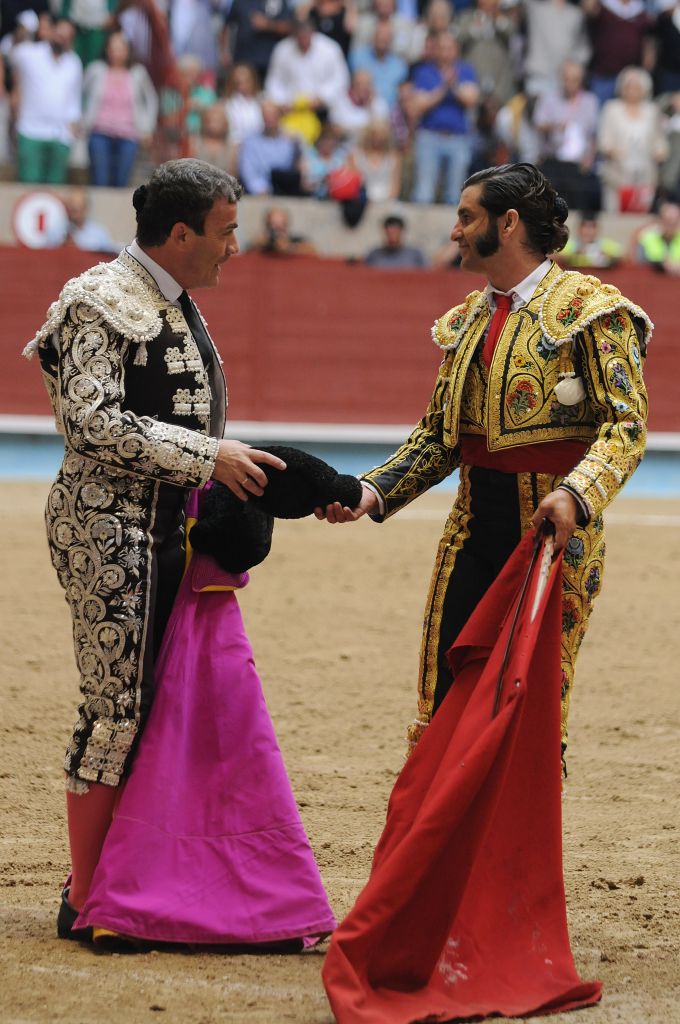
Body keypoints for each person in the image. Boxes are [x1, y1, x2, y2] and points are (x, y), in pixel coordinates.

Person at [23, 158, 291, 940]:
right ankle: (86, 895)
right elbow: (90, 423)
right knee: (116, 709)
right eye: (225, 231)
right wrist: (208, 458)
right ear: (180, 235)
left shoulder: (169, 301)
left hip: (166, 524)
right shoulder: (98, 299)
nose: (234, 247)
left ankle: (120, 880)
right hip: (106, 524)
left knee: (150, 707)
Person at [317, 162, 650, 774]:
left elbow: (625, 426)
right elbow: (439, 438)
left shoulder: (592, 310)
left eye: (467, 218)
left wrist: (577, 496)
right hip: (472, 530)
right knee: (444, 692)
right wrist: (370, 491)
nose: (455, 232)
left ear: (510, 222)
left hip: (555, 536)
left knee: (533, 701)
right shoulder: (468, 320)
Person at [410, 30, 480, 205]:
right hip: (429, 136)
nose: (445, 52)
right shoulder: (424, 72)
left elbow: (471, 99)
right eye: (442, 48)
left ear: (456, 49)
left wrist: (454, 85)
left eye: (449, 48)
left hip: (458, 138)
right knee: (424, 193)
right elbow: (419, 105)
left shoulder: (466, 70)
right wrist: (443, 88)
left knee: (455, 196)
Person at [10, 17, 83, 184]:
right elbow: (8, 52)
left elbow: (74, 97)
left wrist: (74, 123)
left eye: (67, 35)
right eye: (59, 33)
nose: (62, 38)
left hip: (61, 134)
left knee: (55, 189)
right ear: (50, 31)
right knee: (29, 186)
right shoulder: (29, 53)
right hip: (30, 130)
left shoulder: (74, 62)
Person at [82, 30, 158, 188]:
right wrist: (81, 120)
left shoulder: (138, 73)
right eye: (113, 48)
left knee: (122, 181)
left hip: (129, 135)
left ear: (128, 50)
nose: (116, 53)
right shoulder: (96, 70)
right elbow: (81, 94)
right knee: (99, 180)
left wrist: (147, 127)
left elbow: (151, 99)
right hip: (99, 132)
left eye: (120, 48)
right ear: (107, 50)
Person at [44, 186, 120, 251]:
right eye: (71, 209)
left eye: (76, 210)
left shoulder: (99, 233)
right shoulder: (55, 231)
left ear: (85, 208)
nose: (74, 215)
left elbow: (108, 259)